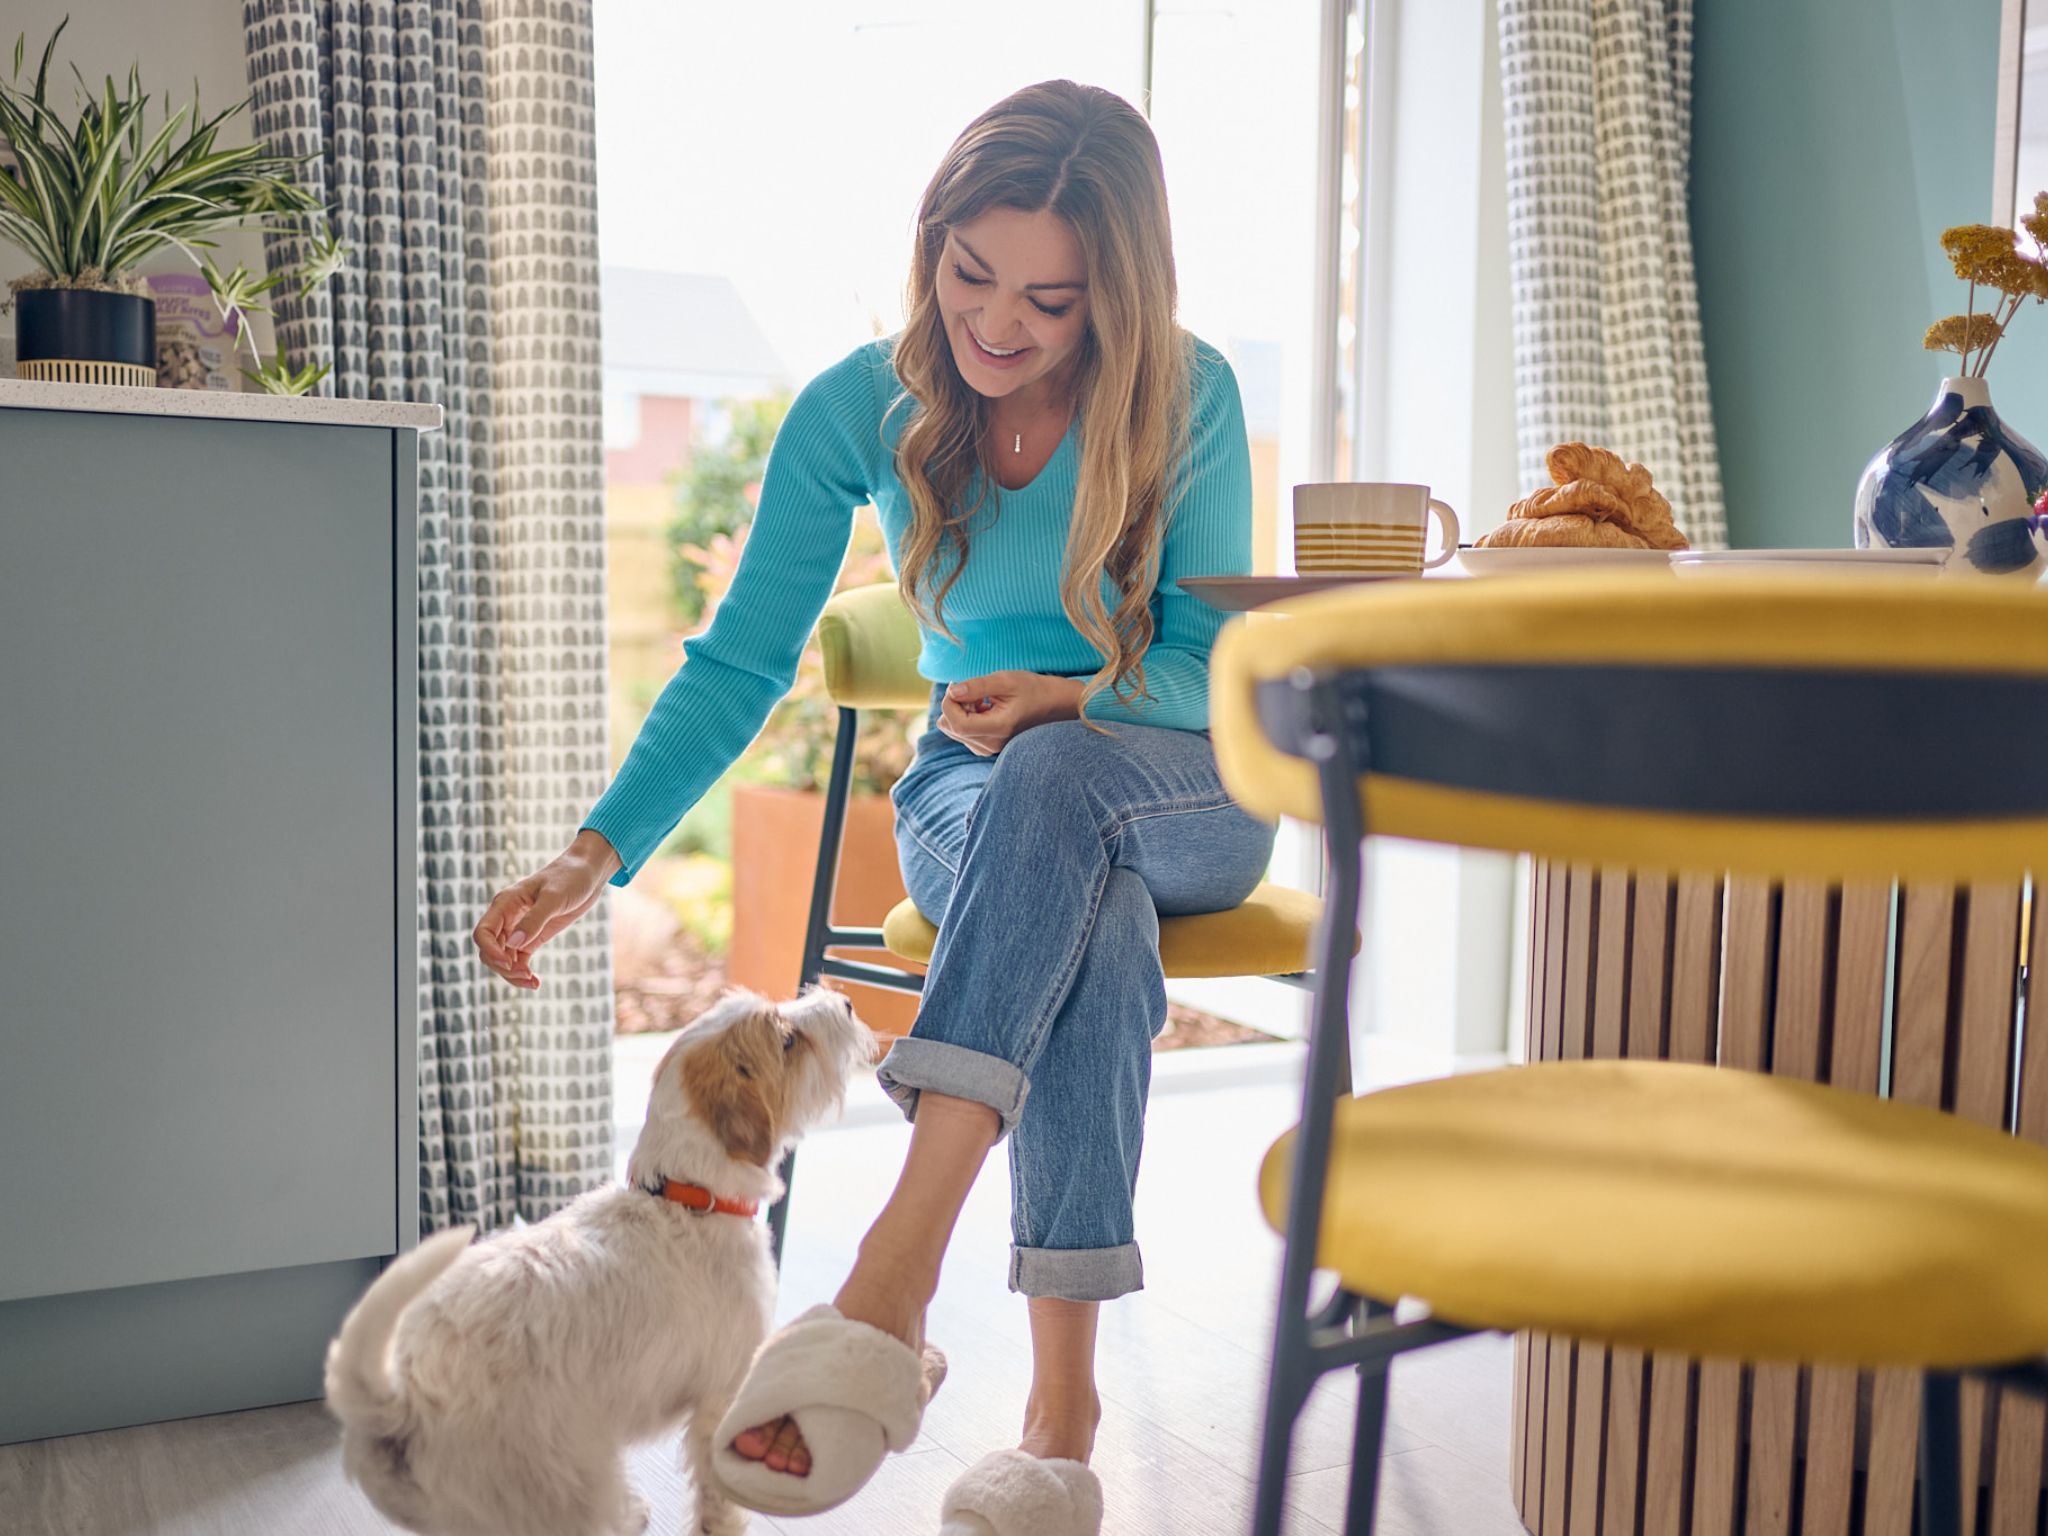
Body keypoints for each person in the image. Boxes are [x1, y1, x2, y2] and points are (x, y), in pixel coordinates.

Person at [472, 77, 1274, 1531]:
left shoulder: (1187, 393)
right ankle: (1061, 1427)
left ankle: (889, 1283)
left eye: (1050, 299)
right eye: (972, 273)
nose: (998, 325)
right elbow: (740, 658)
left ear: (1119, 295)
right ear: (933, 242)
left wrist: (1067, 695)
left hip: (1178, 779)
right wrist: (599, 850)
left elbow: (1220, 670)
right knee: (1080, 912)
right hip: (982, 790)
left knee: (1058, 771)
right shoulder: (866, 402)